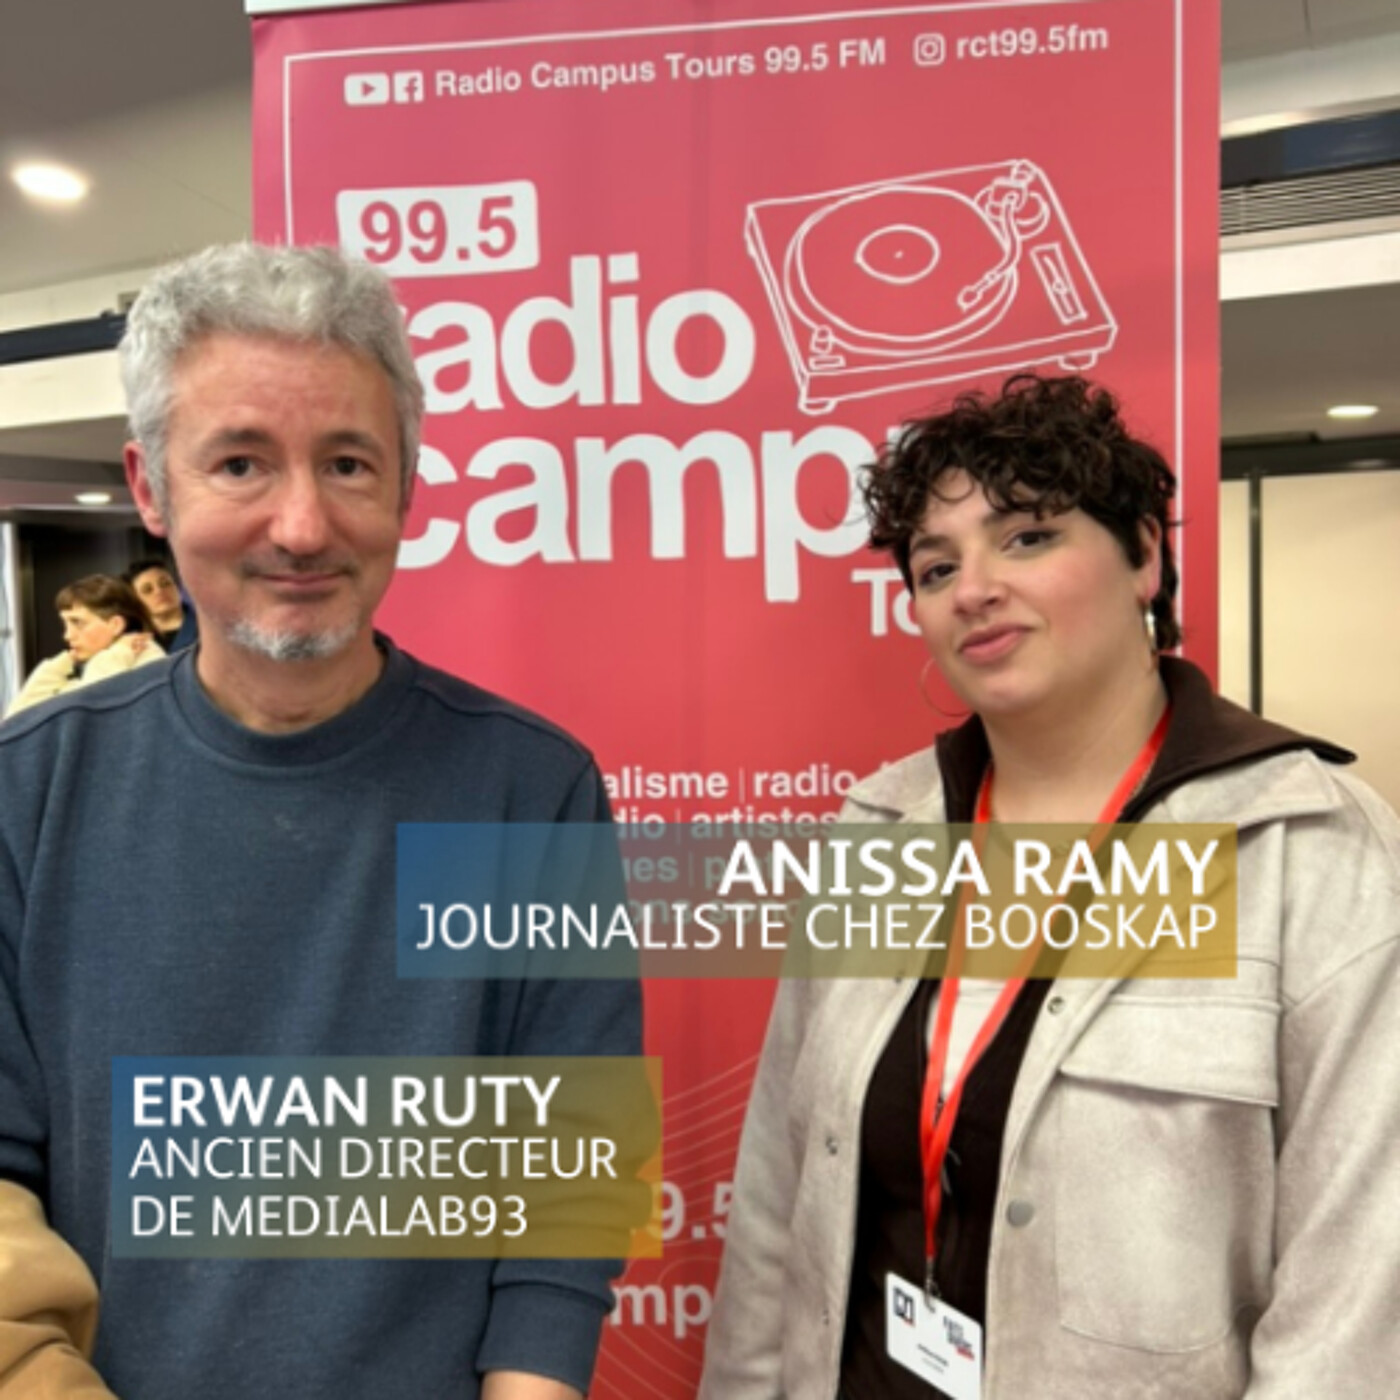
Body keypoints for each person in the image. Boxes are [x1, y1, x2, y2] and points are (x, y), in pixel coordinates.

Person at [0, 244, 641, 1400]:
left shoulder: (526, 789)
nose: (301, 526)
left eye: (346, 463)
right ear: (150, 487)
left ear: (403, 484)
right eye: (241, 461)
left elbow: (564, 1187)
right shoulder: (27, 793)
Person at [699, 374, 1400, 1399]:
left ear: (1142, 557)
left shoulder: (1306, 845)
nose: (971, 586)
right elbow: (774, 1208)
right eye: (935, 565)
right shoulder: (881, 828)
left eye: (1025, 536)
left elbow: (1356, 1289)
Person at [5, 574, 164, 719]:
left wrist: (114, 656)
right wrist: (56, 667)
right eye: (65, 624)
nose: (67, 635)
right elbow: (14, 724)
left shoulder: (148, 664)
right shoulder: (97, 668)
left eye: (77, 622)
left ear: (116, 625)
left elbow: (86, 717)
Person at [123, 557, 199, 651]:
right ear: (136, 600)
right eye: (147, 590)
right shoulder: (132, 642)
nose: (159, 591)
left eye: (165, 583)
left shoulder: (207, 628)